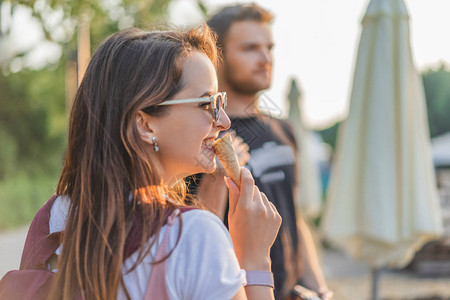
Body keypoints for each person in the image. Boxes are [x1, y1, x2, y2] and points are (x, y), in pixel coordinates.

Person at [14, 25, 282, 300]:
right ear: (145, 124)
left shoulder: (53, 216)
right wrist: (256, 259)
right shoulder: (194, 235)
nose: (224, 121)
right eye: (207, 103)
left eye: (221, 100)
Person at [191, 4, 333, 300]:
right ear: (217, 57)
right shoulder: (202, 134)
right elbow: (195, 233)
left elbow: (293, 214)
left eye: (269, 47)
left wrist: (319, 288)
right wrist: (216, 178)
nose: (266, 58)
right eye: (250, 48)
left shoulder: (283, 129)